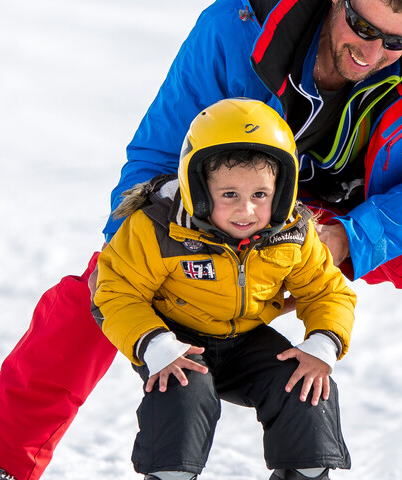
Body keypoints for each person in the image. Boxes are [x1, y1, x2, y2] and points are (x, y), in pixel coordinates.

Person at [0, 1, 402, 480]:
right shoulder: (235, 27)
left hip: (347, 218)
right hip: (226, 210)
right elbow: (154, 159)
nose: (372, 53)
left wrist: (352, 236)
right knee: (96, 291)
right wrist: (166, 248)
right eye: (361, 26)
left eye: (396, 40)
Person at [94, 98, 356, 480]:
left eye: (260, 195)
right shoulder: (159, 228)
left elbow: (327, 292)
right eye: (229, 194)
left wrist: (322, 345)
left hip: (246, 341)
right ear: (197, 188)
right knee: (183, 386)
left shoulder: (292, 235)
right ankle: (171, 475)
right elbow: (117, 292)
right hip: (174, 337)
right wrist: (156, 345)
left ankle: (307, 471)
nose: (246, 211)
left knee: (304, 384)